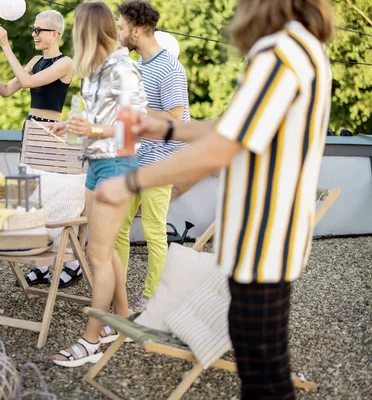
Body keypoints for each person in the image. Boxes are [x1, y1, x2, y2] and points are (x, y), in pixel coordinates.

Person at [96, 0, 334, 397]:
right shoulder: (298, 46)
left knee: (263, 374)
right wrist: (166, 129)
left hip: (263, 235)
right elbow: (232, 125)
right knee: (261, 366)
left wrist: (130, 182)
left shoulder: (279, 52)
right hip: (270, 236)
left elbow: (223, 148)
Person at [49, 1, 148, 367]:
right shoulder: (95, 70)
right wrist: (73, 126)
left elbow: (137, 125)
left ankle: (91, 341)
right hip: (94, 163)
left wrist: (92, 129)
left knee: (96, 255)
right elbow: (94, 120)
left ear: (88, 30)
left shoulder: (123, 69)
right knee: (99, 249)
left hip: (118, 165)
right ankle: (119, 321)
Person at [0, 11, 82, 288]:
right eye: (33, 30)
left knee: (52, 199)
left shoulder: (65, 63)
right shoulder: (35, 60)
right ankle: (42, 263)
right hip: (31, 129)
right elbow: (6, 90)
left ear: (55, 34)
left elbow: (27, 83)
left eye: (40, 30)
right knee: (32, 198)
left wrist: (5, 46)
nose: (35, 35)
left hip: (51, 134)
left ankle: (72, 265)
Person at [115, 0, 190, 312]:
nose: (117, 32)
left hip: (160, 164)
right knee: (118, 228)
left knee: (153, 231)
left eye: (120, 28)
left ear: (136, 30)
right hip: (132, 159)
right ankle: (117, 294)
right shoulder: (138, 66)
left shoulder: (170, 67)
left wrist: (138, 109)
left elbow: (176, 117)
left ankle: (151, 298)